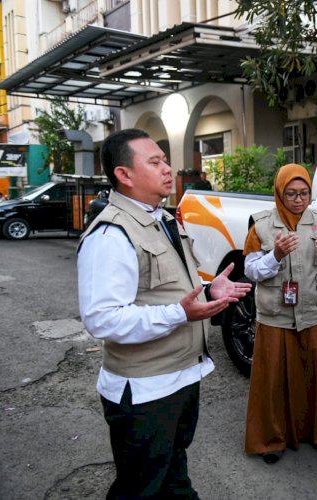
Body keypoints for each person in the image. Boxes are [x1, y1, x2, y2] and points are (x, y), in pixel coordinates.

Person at [77, 128, 252, 499]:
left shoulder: (162, 219)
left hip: (180, 378)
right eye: (154, 162)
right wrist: (180, 313)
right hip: (144, 391)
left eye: (165, 160)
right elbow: (102, 320)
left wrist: (207, 291)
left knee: (173, 476)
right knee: (141, 488)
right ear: (124, 175)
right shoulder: (111, 234)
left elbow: (163, 292)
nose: (168, 168)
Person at [243, 163, 317, 464]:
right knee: (273, 380)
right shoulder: (260, 225)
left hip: (315, 312)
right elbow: (251, 271)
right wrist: (276, 255)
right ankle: (272, 439)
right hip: (276, 314)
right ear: (279, 193)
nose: (299, 200)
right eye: (291, 194)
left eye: (304, 193)